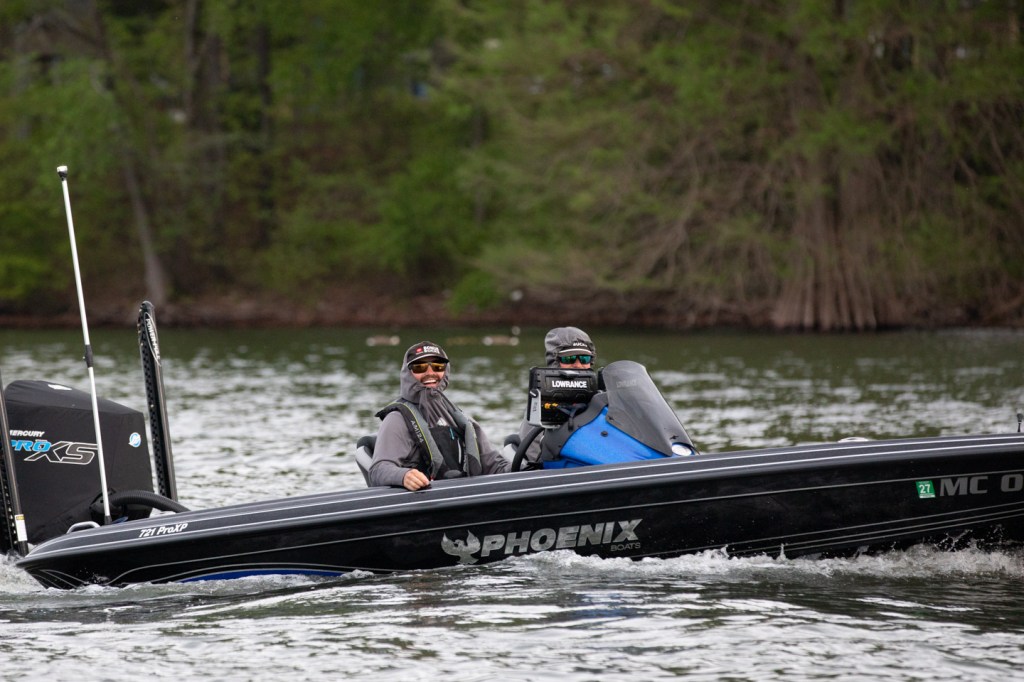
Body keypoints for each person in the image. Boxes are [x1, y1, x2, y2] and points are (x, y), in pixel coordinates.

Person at [370, 341, 510, 490]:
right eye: (420, 367)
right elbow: (378, 470)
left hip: (467, 496)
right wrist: (404, 476)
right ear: (407, 373)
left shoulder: (459, 418)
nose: (430, 372)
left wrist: (524, 468)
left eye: (438, 366)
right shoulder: (396, 419)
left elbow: (495, 465)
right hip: (425, 500)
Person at [514, 326, 597, 464]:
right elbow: (533, 456)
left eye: (584, 358)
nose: (578, 365)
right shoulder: (541, 403)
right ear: (555, 362)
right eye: (569, 359)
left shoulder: (601, 397)